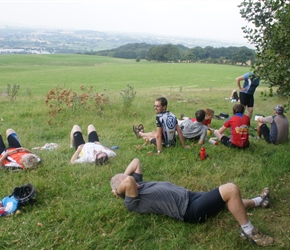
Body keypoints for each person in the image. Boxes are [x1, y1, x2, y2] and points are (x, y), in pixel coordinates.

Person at [110, 158, 274, 247]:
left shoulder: (138, 185)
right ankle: (249, 231)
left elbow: (136, 161)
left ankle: (259, 201)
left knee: (227, 201)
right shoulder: (132, 201)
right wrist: (118, 192)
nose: (134, 181)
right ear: (123, 189)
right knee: (230, 189)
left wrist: (123, 177)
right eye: (125, 182)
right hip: (189, 210)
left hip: (191, 196)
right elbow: (130, 181)